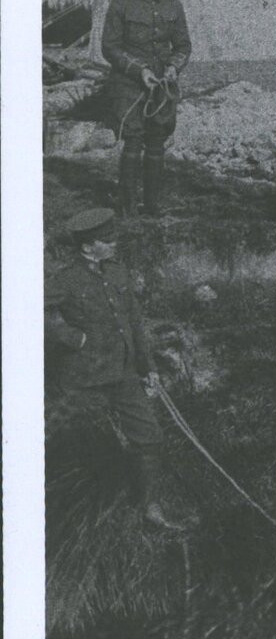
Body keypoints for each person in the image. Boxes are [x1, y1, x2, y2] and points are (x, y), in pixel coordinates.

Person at [44, 207, 184, 529]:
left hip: (123, 373)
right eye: (106, 240)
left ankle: (149, 507)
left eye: (113, 238)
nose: (114, 244)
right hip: (83, 378)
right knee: (55, 438)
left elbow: (134, 323)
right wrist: (70, 337)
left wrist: (147, 366)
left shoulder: (118, 273)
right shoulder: (67, 279)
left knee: (150, 437)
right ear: (87, 246)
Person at [99, 0, 191, 215]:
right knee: (133, 138)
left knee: (156, 140)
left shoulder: (174, 6)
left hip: (161, 85)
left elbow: (183, 45)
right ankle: (127, 205)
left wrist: (174, 66)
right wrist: (139, 71)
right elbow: (110, 48)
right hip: (128, 84)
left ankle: (153, 204)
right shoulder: (121, 4)